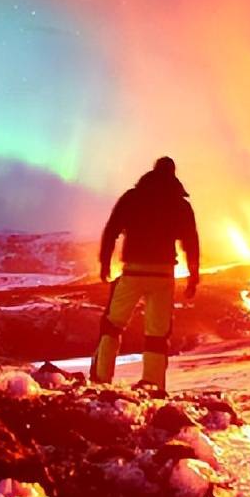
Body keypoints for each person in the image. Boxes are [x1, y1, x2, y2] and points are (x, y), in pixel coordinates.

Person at [90, 156, 200, 391]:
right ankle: (153, 385)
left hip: (134, 271)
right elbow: (191, 242)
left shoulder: (133, 197)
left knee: (112, 325)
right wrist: (193, 277)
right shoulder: (180, 204)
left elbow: (112, 230)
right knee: (157, 334)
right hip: (163, 275)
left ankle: (101, 379)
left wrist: (104, 263)